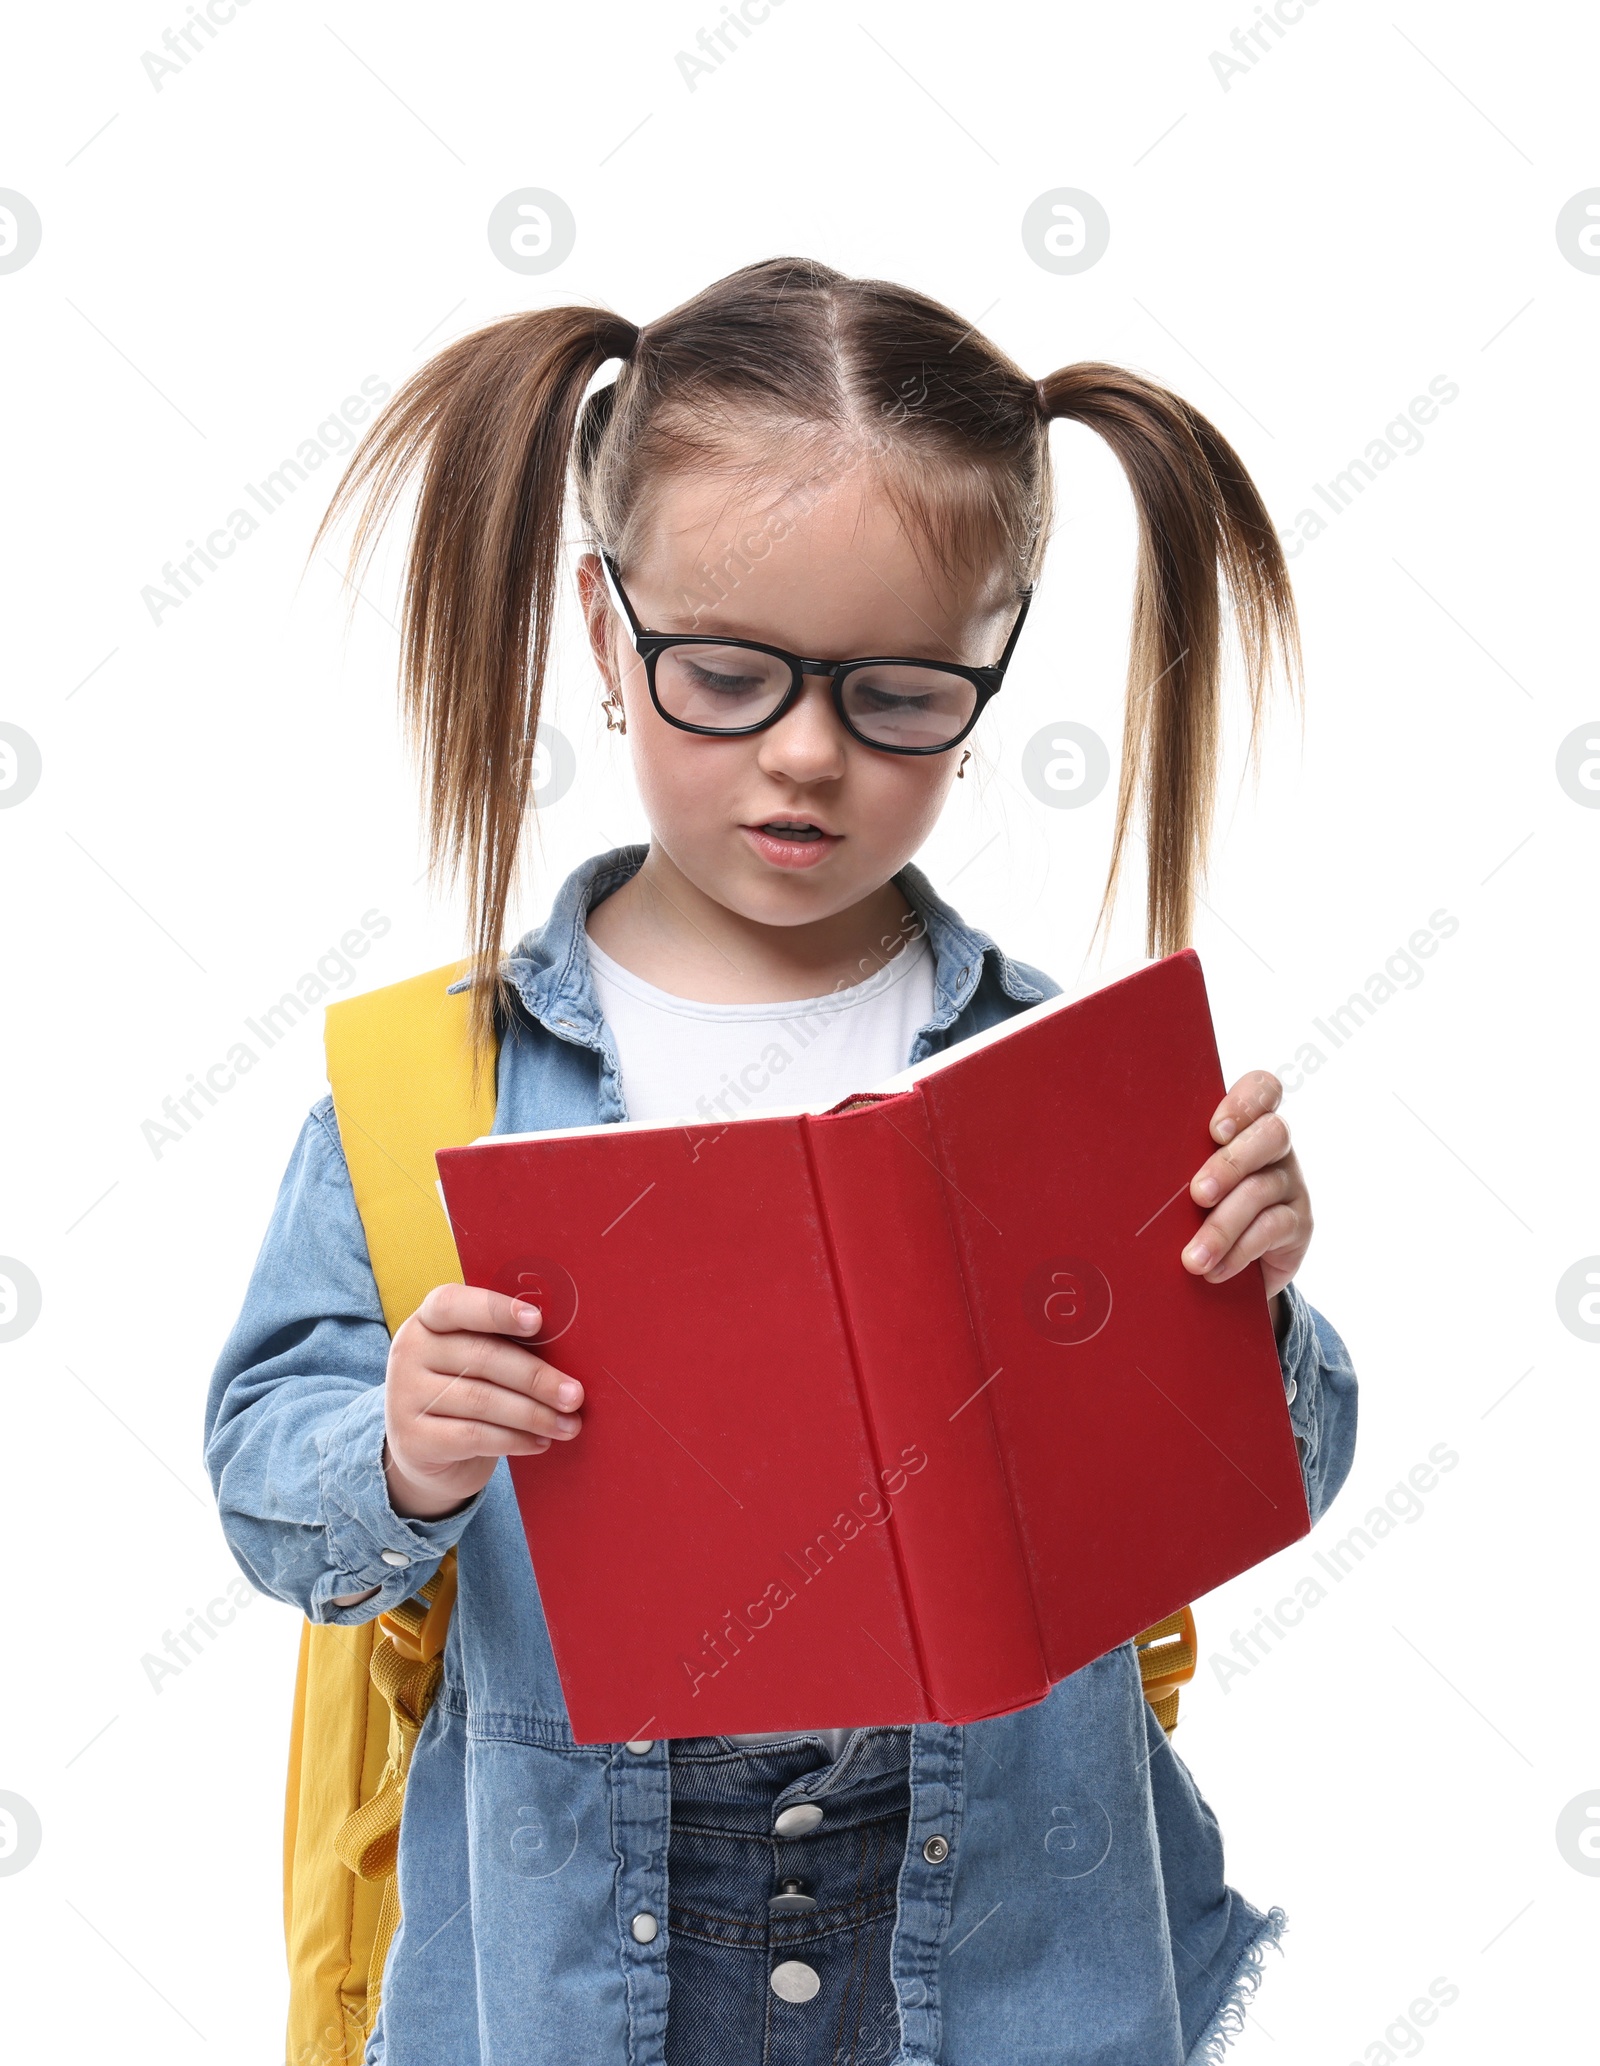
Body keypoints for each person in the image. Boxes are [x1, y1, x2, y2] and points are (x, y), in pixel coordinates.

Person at [205, 256, 1357, 2066]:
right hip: (588, 1963)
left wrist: (1247, 1301)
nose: (807, 757)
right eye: (726, 675)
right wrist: (404, 1449)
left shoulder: (1056, 1077)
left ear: (991, 666)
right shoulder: (438, 1080)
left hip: (999, 1957)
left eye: (902, 694)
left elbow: (1281, 1467)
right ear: (606, 631)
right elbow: (274, 1488)